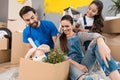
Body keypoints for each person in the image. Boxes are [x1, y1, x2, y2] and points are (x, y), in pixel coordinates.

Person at [57, 15, 120, 80]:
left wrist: (101, 42)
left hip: (84, 64)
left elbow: (94, 35)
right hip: (71, 65)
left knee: (96, 42)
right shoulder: (60, 39)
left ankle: (115, 76)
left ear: (72, 25)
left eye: (67, 26)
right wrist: (78, 66)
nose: (64, 29)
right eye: (62, 26)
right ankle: (84, 78)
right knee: (67, 62)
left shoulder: (79, 35)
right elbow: (62, 56)